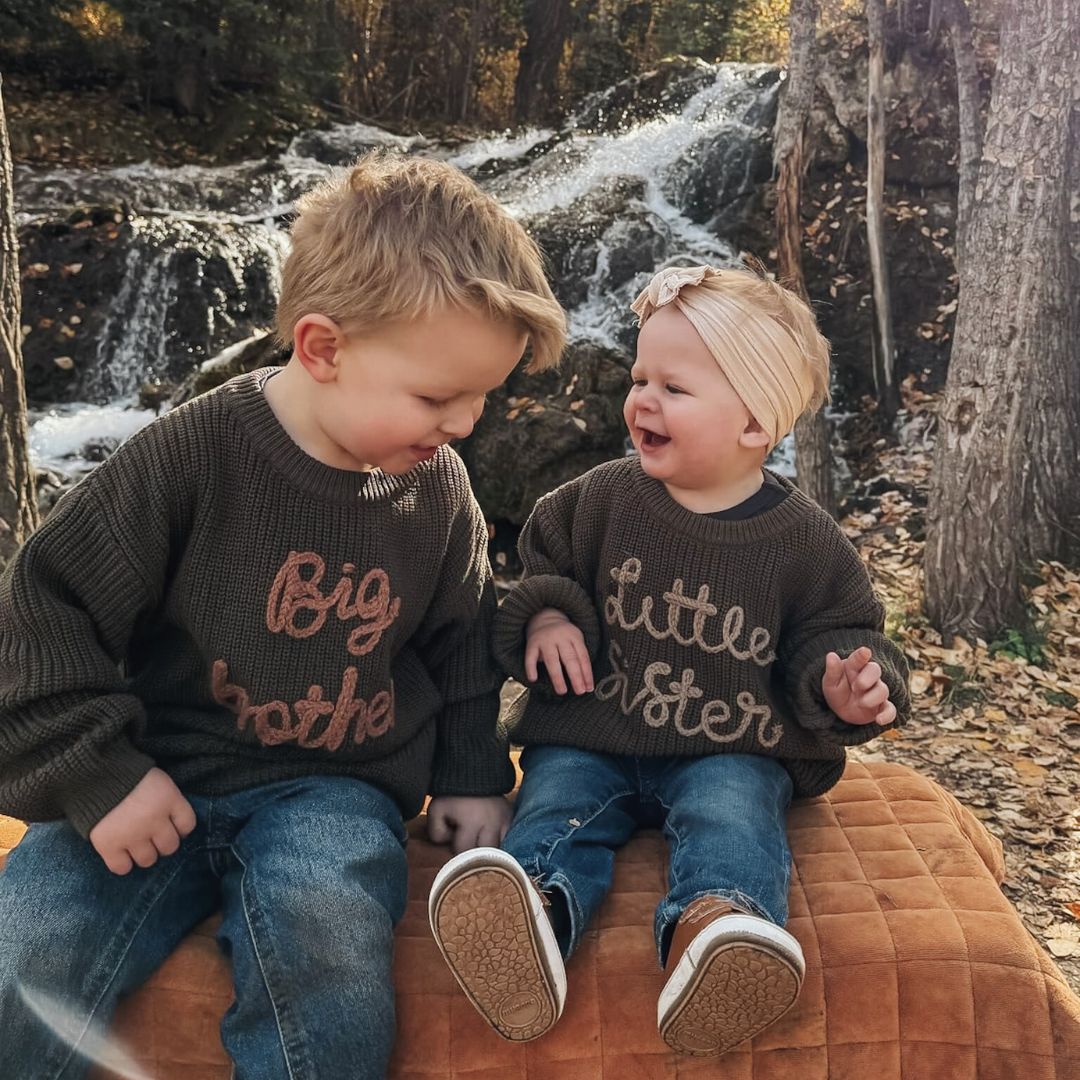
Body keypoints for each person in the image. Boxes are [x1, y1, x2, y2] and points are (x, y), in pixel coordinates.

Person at [0, 151, 566, 1080]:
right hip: (154, 767)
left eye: (483, 398)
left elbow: (463, 641)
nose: (464, 424)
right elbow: (43, 607)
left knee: (329, 944)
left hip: (330, 789)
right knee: (31, 945)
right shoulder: (189, 456)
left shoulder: (441, 492)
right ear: (323, 347)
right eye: (437, 397)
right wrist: (95, 771)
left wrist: (472, 775)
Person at [428, 263, 910, 1058]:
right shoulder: (594, 502)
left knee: (733, 813)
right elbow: (538, 572)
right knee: (554, 805)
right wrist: (549, 616)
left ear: (755, 425)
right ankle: (531, 924)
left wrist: (847, 686)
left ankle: (716, 934)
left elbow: (844, 632)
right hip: (592, 731)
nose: (642, 399)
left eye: (674, 389)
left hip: (731, 744)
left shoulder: (806, 541)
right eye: (640, 376)